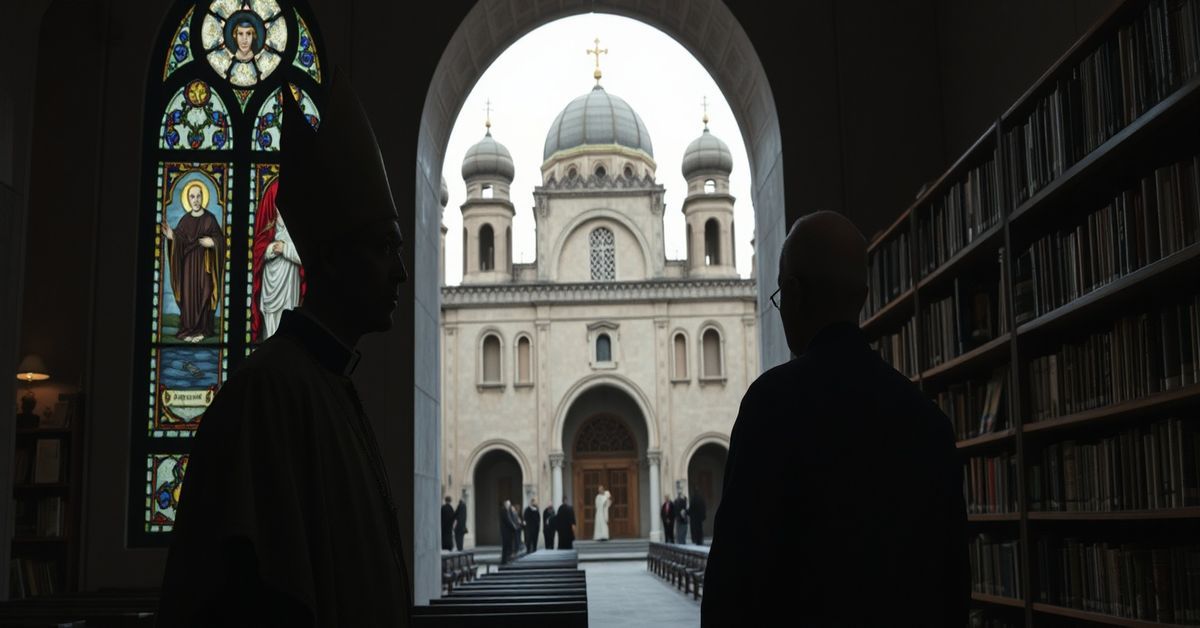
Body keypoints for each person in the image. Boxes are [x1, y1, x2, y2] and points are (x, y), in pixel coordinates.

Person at [157, 70, 412, 627]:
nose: (401, 272)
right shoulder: (271, 392)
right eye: (384, 248)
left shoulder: (329, 382)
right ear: (332, 260)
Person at [702, 211, 968, 626]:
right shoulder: (928, 420)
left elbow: (732, 576)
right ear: (862, 296)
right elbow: (953, 583)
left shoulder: (770, 405)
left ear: (793, 293)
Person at [162, 178, 224, 343]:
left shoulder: (210, 219)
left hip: (205, 266)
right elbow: (180, 240)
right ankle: (189, 329)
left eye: (198, 196)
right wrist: (172, 237)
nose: (195, 200)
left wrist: (213, 242)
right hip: (188, 267)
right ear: (188, 199)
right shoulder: (185, 220)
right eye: (192, 196)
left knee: (206, 292)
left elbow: (221, 240)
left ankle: (203, 330)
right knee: (189, 296)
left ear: (203, 197)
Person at [251, 178, 305, 342]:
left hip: (289, 283)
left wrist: (285, 249)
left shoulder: (296, 228)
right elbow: (258, 252)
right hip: (270, 284)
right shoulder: (269, 228)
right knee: (270, 323)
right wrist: (269, 250)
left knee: (288, 319)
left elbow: (305, 257)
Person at [499, 499, 516, 565]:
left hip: (508, 532)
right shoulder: (504, 511)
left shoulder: (508, 511)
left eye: (509, 504)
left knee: (508, 547)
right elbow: (508, 521)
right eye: (508, 504)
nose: (509, 506)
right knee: (505, 547)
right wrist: (513, 526)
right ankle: (504, 561)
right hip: (506, 532)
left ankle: (507, 560)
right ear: (505, 504)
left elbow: (511, 519)